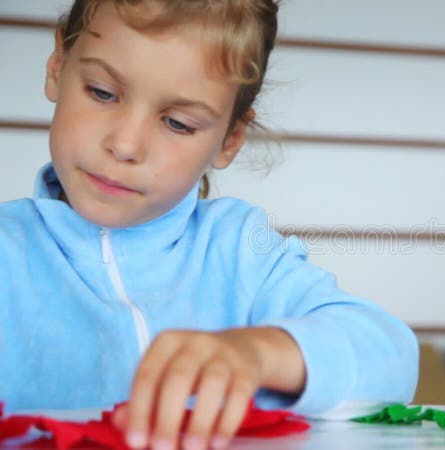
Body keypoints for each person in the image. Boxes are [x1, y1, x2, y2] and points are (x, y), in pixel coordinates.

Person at [0, 1, 418, 449]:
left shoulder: (241, 251)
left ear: (230, 139)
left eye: (177, 123)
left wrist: (257, 353)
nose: (124, 145)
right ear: (57, 67)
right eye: (102, 92)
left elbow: (393, 359)